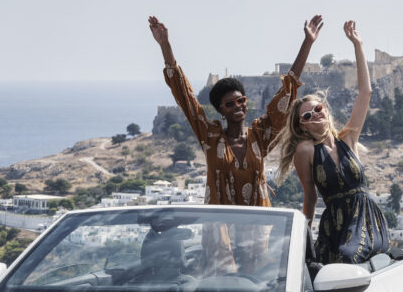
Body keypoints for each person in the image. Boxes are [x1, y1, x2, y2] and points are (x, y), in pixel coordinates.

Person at [148, 13, 323, 207]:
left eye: (241, 100)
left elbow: (288, 91)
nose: (237, 106)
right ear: (221, 110)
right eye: (229, 104)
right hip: (220, 231)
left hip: (257, 230)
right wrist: (165, 45)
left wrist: (307, 42)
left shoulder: (260, 137)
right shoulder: (210, 137)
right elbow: (184, 95)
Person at [277, 20, 390, 264]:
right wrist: (304, 237)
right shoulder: (305, 150)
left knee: (351, 257)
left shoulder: (348, 138)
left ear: (326, 109)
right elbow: (310, 196)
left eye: (318, 108)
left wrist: (358, 45)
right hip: (335, 226)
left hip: (366, 220)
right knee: (333, 263)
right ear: (302, 125)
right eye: (307, 115)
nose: (315, 114)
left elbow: (365, 92)